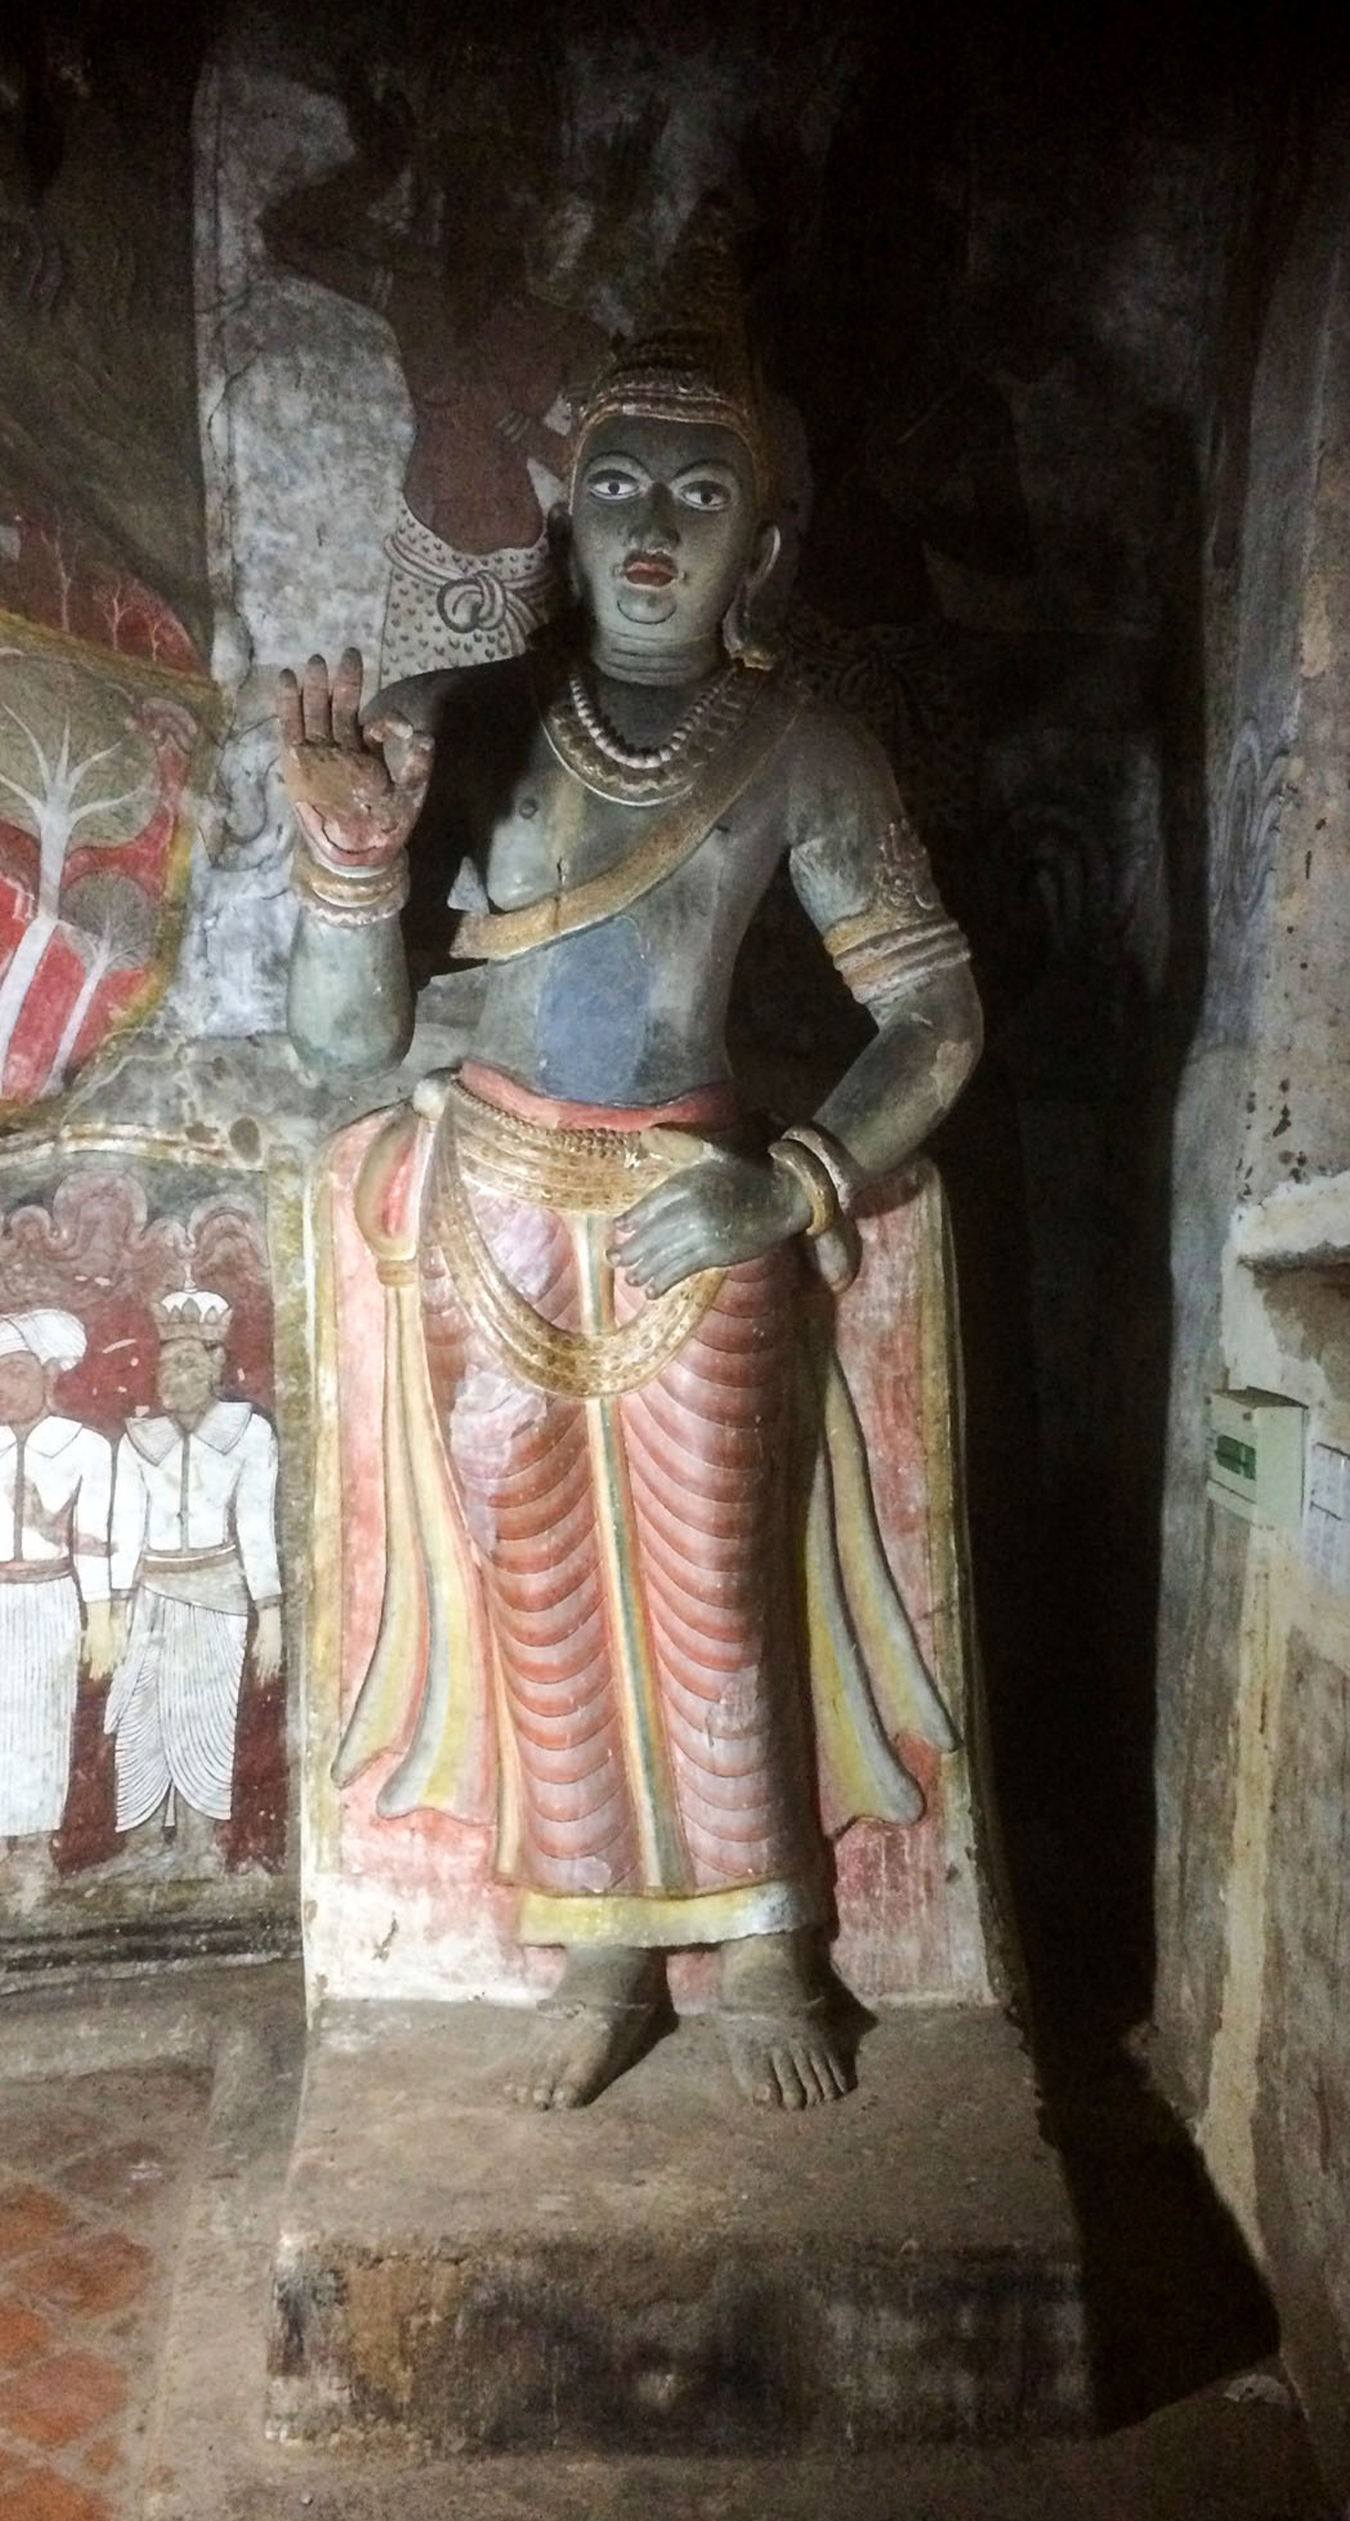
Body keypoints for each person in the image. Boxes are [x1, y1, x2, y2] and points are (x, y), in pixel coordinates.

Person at [278, 295, 982, 2112]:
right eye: (618, 485)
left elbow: (935, 1010)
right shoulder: (458, 722)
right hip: (492, 1203)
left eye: (698, 492)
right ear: (562, 513)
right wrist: (354, 868)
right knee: (534, 1584)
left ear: (768, 538)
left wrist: (795, 1180)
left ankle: (762, 1936)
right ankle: (601, 1943)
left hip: (693, 1199)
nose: (655, 527)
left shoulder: (802, 753)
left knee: (714, 1583)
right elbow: (351, 1047)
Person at [104, 1290, 282, 1838]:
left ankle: (200, 1842)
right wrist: (113, 1614)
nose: (170, 1376)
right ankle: (142, 1841)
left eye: (185, 1362)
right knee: (141, 1719)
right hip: (151, 1596)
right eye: (165, 1363)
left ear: (215, 1365)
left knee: (204, 1717)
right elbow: (124, 1531)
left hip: (219, 1595)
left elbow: (256, 1528)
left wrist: (270, 1615)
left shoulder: (248, 1433)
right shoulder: (139, 1441)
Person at [0, 1308, 114, 1842]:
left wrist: (102, 1620)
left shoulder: (85, 1446)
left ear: (48, 1373)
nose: (3, 1386)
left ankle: (34, 1849)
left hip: (50, 1600)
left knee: (44, 1723)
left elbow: (94, 1543)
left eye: (15, 1371)